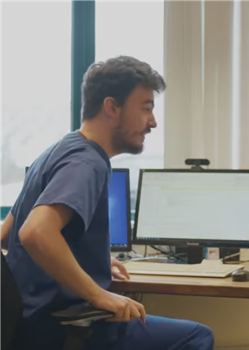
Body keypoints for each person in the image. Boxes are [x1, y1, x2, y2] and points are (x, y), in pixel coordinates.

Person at [0, 56, 214, 350]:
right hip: (64, 327)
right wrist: (99, 294)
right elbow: (35, 232)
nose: (152, 122)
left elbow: (8, 232)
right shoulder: (88, 163)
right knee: (197, 336)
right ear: (112, 107)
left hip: (28, 325)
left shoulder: (58, 150)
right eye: (146, 108)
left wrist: (92, 262)